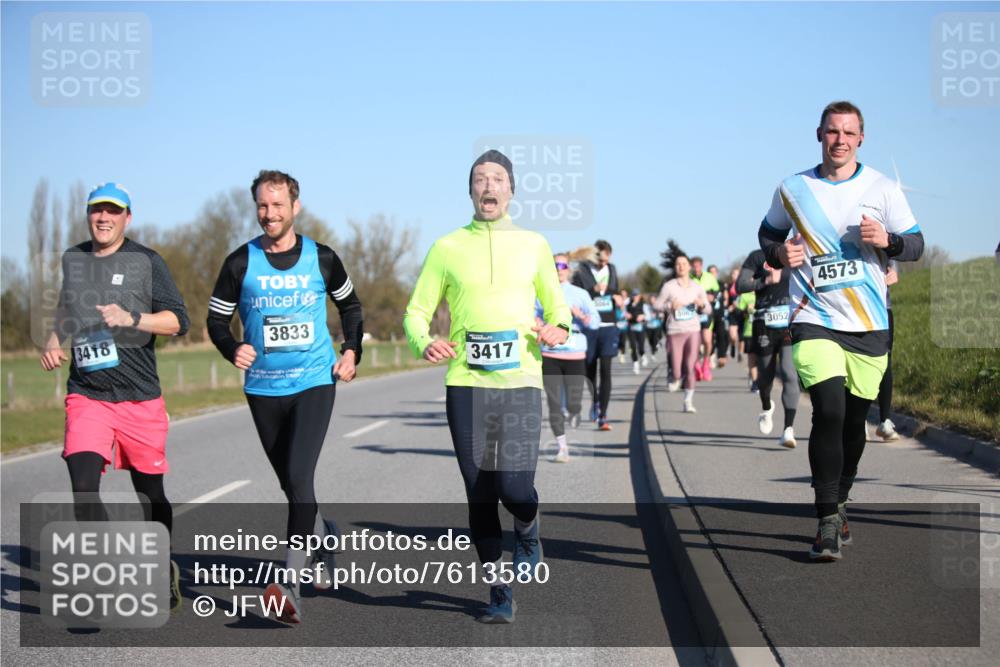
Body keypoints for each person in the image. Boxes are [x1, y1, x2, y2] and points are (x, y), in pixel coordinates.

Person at [403, 150, 570, 624]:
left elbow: (557, 308)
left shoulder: (534, 244)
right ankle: (499, 590)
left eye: (497, 178)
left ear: (511, 190)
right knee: (479, 490)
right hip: (466, 383)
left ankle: (529, 527)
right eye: (480, 179)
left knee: (514, 487)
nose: (489, 185)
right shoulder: (447, 247)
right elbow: (416, 311)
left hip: (520, 382)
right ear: (471, 191)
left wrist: (558, 329)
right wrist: (423, 341)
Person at [758, 101, 924, 561]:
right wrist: (778, 254)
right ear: (819, 134)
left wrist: (888, 241)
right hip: (813, 315)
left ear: (861, 139)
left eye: (849, 133)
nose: (840, 140)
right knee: (828, 411)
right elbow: (767, 234)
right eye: (833, 131)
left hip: (868, 322)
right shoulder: (793, 188)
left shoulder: (882, 188)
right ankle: (827, 519)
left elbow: (916, 244)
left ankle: (841, 499)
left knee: (854, 423)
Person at [207, 170, 364, 622]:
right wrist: (231, 347)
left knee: (298, 476)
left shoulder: (323, 258)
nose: (269, 213)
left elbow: (350, 306)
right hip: (262, 388)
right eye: (262, 205)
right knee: (291, 485)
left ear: (295, 207)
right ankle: (323, 538)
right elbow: (216, 320)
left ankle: (289, 583)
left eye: (277, 205)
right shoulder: (240, 263)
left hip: (314, 381)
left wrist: (351, 350)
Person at [40, 182, 190, 612]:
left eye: (113, 211)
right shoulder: (73, 259)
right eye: (96, 210)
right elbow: (67, 307)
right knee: (84, 487)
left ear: (128, 217)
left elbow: (178, 321)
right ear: (88, 215)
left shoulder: (146, 261)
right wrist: (54, 338)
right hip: (87, 395)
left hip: (139, 397)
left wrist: (133, 317)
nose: (103, 218)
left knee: (150, 494)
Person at [537, 253, 600, 462]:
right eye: (555, 265)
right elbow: (531, 314)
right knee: (554, 403)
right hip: (550, 353)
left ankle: (573, 410)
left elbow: (595, 322)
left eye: (563, 265)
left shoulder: (580, 293)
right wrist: (537, 321)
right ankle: (562, 448)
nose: (559, 269)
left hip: (575, 353)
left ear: (568, 269)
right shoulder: (541, 292)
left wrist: (581, 315)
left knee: (573, 403)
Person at [737, 249, 800, 448]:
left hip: (789, 323)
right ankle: (766, 406)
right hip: (764, 323)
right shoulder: (757, 257)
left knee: (789, 372)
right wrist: (764, 281)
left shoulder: (796, 252)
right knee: (765, 376)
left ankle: (788, 429)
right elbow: (740, 285)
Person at [572, 240, 622, 431]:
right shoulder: (582, 271)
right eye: (600, 259)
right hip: (590, 327)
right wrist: (592, 292)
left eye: (607, 259)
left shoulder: (612, 269)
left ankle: (603, 415)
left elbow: (614, 290)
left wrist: (616, 296)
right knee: (590, 370)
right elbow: (577, 295)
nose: (604, 262)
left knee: (606, 370)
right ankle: (595, 402)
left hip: (609, 326)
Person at [654, 254, 710, 413]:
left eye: (684, 263)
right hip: (675, 331)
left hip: (693, 330)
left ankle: (688, 401)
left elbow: (708, 309)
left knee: (690, 366)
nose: (681, 266)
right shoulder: (669, 286)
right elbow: (657, 305)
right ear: (675, 267)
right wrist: (669, 306)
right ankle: (676, 377)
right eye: (678, 264)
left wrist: (701, 304)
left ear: (689, 267)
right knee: (677, 370)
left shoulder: (697, 287)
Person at [873, 263, 901, 441]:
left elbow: (895, 256)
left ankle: (885, 420)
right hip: (852, 309)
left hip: (882, 308)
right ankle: (857, 419)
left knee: (885, 361)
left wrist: (894, 270)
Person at [690, 256, 720, 381]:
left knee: (707, 340)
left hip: (706, 312)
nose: (696, 268)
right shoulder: (688, 278)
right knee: (695, 342)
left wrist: (712, 296)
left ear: (701, 266)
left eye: (698, 266)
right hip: (693, 313)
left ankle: (706, 363)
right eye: (694, 266)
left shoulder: (709, 277)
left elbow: (717, 290)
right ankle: (697, 365)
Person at [625, 290, 647, 375]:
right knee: (633, 347)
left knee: (640, 347)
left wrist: (643, 316)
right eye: (633, 295)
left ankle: (643, 356)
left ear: (639, 296)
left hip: (640, 327)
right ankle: (635, 364)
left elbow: (649, 316)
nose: (635, 297)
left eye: (636, 295)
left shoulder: (643, 305)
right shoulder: (628, 305)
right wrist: (626, 316)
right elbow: (624, 314)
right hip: (631, 328)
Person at [615, 288, 629, 363]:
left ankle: (623, 354)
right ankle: (619, 351)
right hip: (617, 328)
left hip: (624, 327)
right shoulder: (616, 309)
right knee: (617, 341)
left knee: (623, 341)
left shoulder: (627, 308)